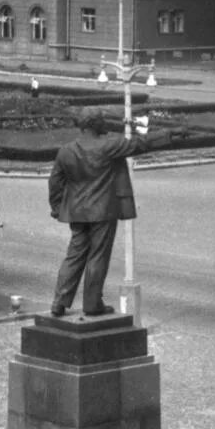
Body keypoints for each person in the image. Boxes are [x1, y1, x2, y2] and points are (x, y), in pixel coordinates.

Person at [48, 113, 169, 317]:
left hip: (76, 212)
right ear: (95, 125)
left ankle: (58, 302)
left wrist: (56, 207)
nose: (105, 124)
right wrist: (168, 135)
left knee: (73, 256)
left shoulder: (66, 151)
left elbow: (55, 183)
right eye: (102, 121)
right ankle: (92, 304)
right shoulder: (108, 145)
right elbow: (140, 144)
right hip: (102, 210)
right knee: (98, 257)